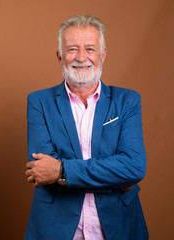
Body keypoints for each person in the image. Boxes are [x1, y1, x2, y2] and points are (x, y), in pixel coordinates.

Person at [24, 15, 148, 240]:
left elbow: (134, 167)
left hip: (118, 224)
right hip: (56, 227)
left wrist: (61, 172)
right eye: (72, 49)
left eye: (90, 48)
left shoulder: (127, 100)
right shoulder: (39, 102)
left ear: (103, 54)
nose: (81, 58)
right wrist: (116, 178)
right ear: (59, 56)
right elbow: (42, 171)